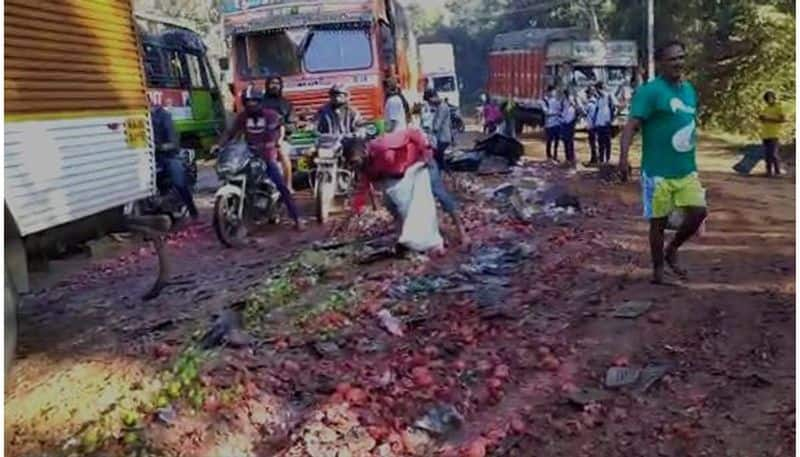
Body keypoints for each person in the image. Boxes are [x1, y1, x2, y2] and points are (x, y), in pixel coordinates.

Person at [618, 39, 707, 285]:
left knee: (699, 212)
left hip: (686, 169)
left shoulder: (689, 90)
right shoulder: (650, 92)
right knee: (657, 222)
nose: (678, 63)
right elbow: (631, 126)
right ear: (660, 63)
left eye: (681, 57)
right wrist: (623, 158)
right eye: (672, 59)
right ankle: (658, 271)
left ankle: (672, 250)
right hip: (657, 171)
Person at [338, 127, 468, 246]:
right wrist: (352, 213)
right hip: (402, 174)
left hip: (419, 163)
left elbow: (412, 133)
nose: (354, 166)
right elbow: (362, 190)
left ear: (364, 151)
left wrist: (425, 152)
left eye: (355, 161)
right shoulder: (364, 167)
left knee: (440, 194)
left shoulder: (384, 146)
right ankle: (403, 235)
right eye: (351, 164)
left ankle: (462, 233)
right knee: (392, 204)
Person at [214, 85, 302, 230]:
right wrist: (219, 145)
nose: (251, 104)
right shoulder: (242, 116)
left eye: (254, 101)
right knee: (232, 176)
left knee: (281, 185)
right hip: (248, 154)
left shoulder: (271, 115)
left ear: (260, 101)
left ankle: (297, 219)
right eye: (248, 101)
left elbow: (277, 130)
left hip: (267, 154)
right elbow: (231, 132)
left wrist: (274, 142)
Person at [150, 101, 199, 219]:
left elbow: (173, 143)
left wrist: (159, 147)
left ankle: (192, 211)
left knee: (179, 182)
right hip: (149, 157)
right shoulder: (140, 117)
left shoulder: (164, 116)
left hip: (167, 155)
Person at [262, 75, 296, 192]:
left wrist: (280, 128)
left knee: (283, 153)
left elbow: (292, 125)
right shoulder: (260, 103)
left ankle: (288, 185)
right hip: (260, 138)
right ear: (267, 85)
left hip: (281, 139)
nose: (274, 86)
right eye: (272, 83)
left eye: (277, 83)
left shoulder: (286, 104)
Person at [758, 90, 787, 177]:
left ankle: (777, 171)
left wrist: (769, 119)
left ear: (774, 98)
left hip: (774, 134)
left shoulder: (779, 107)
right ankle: (768, 172)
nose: (769, 100)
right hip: (765, 133)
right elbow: (763, 119)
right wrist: (762, 118)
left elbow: (783, 120)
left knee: (773, 154)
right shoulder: (766, 108)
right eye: (767, 98)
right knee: (767, 155)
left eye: (770, 98)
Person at [429, 89, 453, 171]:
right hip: (442, 137)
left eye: (430, 101)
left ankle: (446, 173)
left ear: (435, 97)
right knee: (439, 157)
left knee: (438, 157)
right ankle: (444, 173)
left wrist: (429, 134)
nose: (430, 103)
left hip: (443, 137)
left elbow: (437, 125)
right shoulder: (441, 106)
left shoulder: (442, 107)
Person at [594, 81, 616, 163]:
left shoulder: (609, 96)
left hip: (606, 123)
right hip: (599, 123)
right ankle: (601, 160)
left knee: (607, 142)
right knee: (600, 143)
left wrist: (611, 119)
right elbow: (597, 110)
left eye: (597, 89)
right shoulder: (598, 99)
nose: (597, 92)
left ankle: (608, 159)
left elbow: (613, 107)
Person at [542, 85, 562, 160]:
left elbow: (560, 109)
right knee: (549, 141)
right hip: (549, 124)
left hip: (557, 123)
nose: (554, 93)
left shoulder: (556, 100)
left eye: (554, 91)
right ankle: (549, 155)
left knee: (557, 140)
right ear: (548, 92)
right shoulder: (544, 101)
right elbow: (546, 112)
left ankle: (555, 155)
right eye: (552, 91)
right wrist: (556, 113)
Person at [559, 90, 577, 166]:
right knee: (566, 141)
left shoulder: (572, 102)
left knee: (569, 142)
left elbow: (576, 110)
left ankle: (571, 159)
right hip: (565, 123)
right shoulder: (564, 102)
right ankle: (568, 159)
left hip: (569, 124)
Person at [584, 86, 599, 164]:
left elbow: (590, 115)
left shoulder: (591, 103)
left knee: (593, 143)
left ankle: (594, 159)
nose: (586, 95)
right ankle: (594, 158)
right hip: (593, 125)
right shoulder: (595, 101)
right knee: (593, 143)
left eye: (587, 93)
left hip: (592, 126)